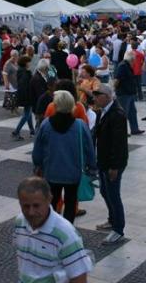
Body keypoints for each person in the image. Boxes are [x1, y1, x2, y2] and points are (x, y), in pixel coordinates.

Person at [32, 91, 96, 223]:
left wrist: (38, 164)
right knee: (71, 202)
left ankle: (52, 226)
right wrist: (92, 167)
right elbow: (90, 148)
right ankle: (68, 228)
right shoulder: (80, 125)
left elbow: (37, 149)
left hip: (51, 172)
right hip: (73, 172)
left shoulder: (46, 124)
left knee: (52, 200)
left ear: (55, 105)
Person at [14, 177, 93, 282]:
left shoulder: (66, 234)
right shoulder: (20, 222)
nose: (31, 212)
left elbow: (79, 278)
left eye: (36, 206)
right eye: (26, 206)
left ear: (49, 199)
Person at [92, 85, 128, 245]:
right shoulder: (102, 112)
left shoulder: (117, 114)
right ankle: (112, 219)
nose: (95, 98)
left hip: (113, 163)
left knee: (113, 194)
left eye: (97, 95)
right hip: (103, 160)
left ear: (107, 96)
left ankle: (118, 229)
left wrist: (114, 167)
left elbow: (119, 144)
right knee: (105, 191)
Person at [114, 50, 143, 135]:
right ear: (131, 59)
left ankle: (135, 129)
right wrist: (114, 91)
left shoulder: (127, 66)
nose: (134, 62)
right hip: (123, 94)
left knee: (132, 112)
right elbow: (117, 80)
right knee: (123, 113)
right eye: (134, 60)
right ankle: (122, 131)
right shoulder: (123, 66)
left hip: (129, 93)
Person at [13, 56, 35, 140]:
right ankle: (16, 131)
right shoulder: (25, 73)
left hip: (23, 95)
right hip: (27, 96)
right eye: (29, 62)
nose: (30, 63)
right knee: (26, 114)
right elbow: (25, 86)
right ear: (25, 63)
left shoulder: (21, 71)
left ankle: (32, 131)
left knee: (28, 113)